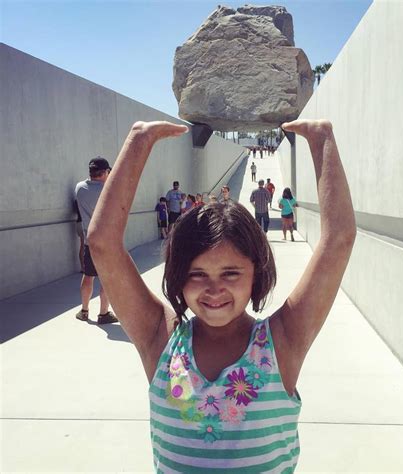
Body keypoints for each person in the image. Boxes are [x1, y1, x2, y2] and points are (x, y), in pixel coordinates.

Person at [87, 119, 355, 472]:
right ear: (178, 278)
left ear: (256, 274)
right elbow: (103, 243)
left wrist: (323, 140)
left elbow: (338, 241)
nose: (214, 289)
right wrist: (139, 141)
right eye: (197, 274)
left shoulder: (281, 342)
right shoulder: (161, 339)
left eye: (231, 273)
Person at [74, 157, 118, 324]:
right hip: (107, 243)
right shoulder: (109, 191)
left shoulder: (79, 188)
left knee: (88, 276)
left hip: (89, 241)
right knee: (106, 279)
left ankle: (84, 311)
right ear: (105, 172)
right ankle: (103, 314)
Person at [73, 199, 85, 272]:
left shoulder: (76, 201)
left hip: (78, 223)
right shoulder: (84, 200)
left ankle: (82, 267)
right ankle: (84, 268)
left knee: (82, 246)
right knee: (85, 247)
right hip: (84, 223)